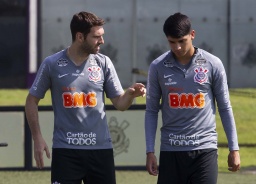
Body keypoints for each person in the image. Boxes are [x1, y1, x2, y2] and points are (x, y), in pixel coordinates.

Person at [25, 11, 146, 184]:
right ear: (80, 36)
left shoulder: (103, 63)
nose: (102, 41)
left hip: (100, 151)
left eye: (102, 36)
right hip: (66, 151)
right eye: (97, 37)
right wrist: (37, 137)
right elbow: (31, 101)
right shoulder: (52, 64)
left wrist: (129, 94)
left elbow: (120, 104)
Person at [145, 12, 240, 184]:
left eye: (182, 41)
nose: (177, 47)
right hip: (171, 150)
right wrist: (149, 151)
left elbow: (225, 107)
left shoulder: (213, 64)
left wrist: (234, 148)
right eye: (172, 42)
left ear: (192, 35)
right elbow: (151, 110)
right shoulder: (157, 67)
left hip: (204, 150)